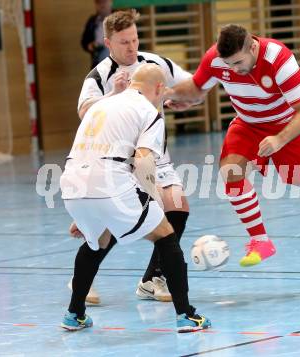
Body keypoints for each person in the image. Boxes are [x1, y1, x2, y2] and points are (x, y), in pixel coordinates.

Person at [165, 24, 300, 291]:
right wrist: (168, 95)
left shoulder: (278, 59)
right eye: (229, 64)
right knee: (230, 171)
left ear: (252, 47)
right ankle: (260, 240)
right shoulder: (217, 58)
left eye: (239, 63)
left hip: (289, 125)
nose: (234, 70)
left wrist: (280, 139)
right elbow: (196, 87)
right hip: (248, 124)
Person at [60, 64, 211, 333]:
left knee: (99, 241)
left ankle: (75, 314)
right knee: (165, 233)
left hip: (72, 183)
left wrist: (83, 212)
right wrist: (153, 201)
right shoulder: (149, 111)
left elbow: (86, 154)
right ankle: (187, 315)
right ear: (158, 89)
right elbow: (143, 161)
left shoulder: (101, 106)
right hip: (108, 181)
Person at [72, 9, 193, 304]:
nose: (132, 47)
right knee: (113, 221)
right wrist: (113, 93)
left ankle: (153, 279)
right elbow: (85, 112)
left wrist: (178, 96)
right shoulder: (100, 74)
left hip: (153, 155)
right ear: (108, 42)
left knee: (177, 206)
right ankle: (81, 279)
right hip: (117, 160)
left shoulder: (154, 64)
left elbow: (191, 84)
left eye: (135, 39)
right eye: (124, 42)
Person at [81, 0, 112, 69]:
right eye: (98, 2)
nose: (102, 5)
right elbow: (84, 42)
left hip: (119, 62)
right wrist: (91, 46)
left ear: (110, 1)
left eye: (104, 1)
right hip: (98, 62)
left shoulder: (120, 18)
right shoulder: (92, 21)